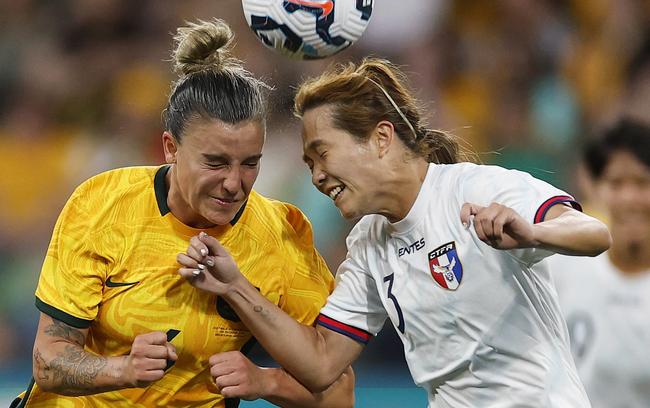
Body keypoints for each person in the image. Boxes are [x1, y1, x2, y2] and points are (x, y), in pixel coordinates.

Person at [177, 57, 612, 408]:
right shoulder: (368, 243)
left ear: (381, 137)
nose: (317, 177)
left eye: (321, 154)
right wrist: (236, 287)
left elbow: (592, 232)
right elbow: (322, 362)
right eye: (309, 164)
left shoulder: (474, 188)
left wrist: (533, 233)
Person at [13, 19, 354, 408]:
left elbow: (338, 396)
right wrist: (122, 369)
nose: (233, 183)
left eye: (249, 163)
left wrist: (265, 381)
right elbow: (48, 361)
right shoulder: (103, 202)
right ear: (170, 148)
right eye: (215, 162)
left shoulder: (282, 235)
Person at [550, 117, 650, 408]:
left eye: (643, 183)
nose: (630, 198)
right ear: (594, 188)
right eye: (616, 184)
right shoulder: (561, 267)